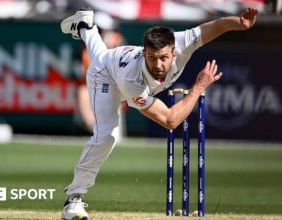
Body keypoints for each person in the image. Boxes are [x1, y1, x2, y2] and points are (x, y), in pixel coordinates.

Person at [60, 7, 257, 220]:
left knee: (102, 55)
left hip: (114, 60)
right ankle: (74, 199)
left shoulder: (184, 42)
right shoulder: (132, 80)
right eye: (152, 57)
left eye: (164, 58)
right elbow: (170, 120)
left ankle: (86, 27)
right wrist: (199, 87)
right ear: (144, 52)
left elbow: (218, 25)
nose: (158, 64)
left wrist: (238, 23)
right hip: (107, 77)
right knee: (106, 136)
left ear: (174, 52)